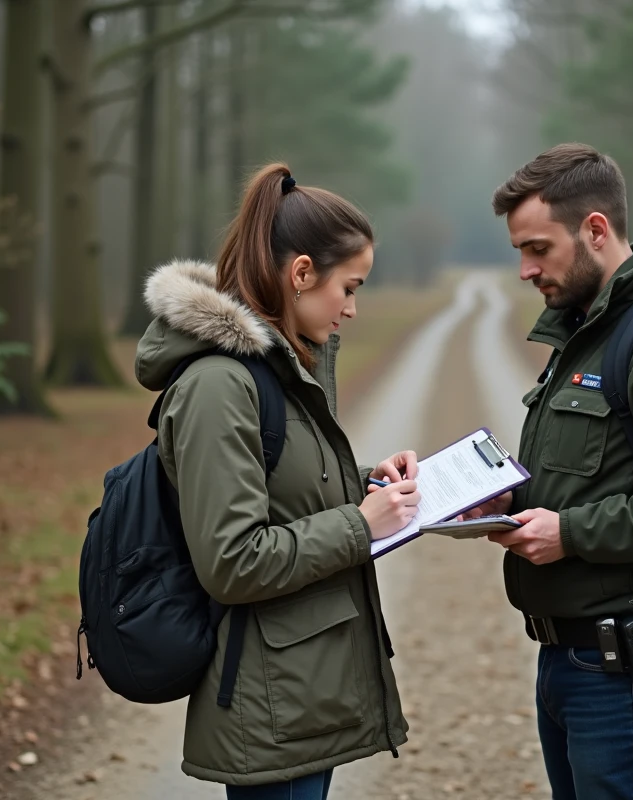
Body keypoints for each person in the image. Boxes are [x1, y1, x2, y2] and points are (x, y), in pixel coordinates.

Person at [134, 163, 417, 799]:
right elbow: (232, 560)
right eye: (349, 287)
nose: (351, 307)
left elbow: (281, 488)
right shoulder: (219, 385)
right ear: (300, 274)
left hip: (301, 696)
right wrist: (359, 523)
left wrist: (367, 481)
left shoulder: (274, 370)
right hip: (270, 708)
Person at [467, 143, 633, 799]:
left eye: (539, 248)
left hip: (628, 671)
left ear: (594, 230)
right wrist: (509, 497)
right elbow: (598, 475)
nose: (527, 270)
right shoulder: (584, 334)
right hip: (569, 659)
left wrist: (570, 533)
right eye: (519, 253)